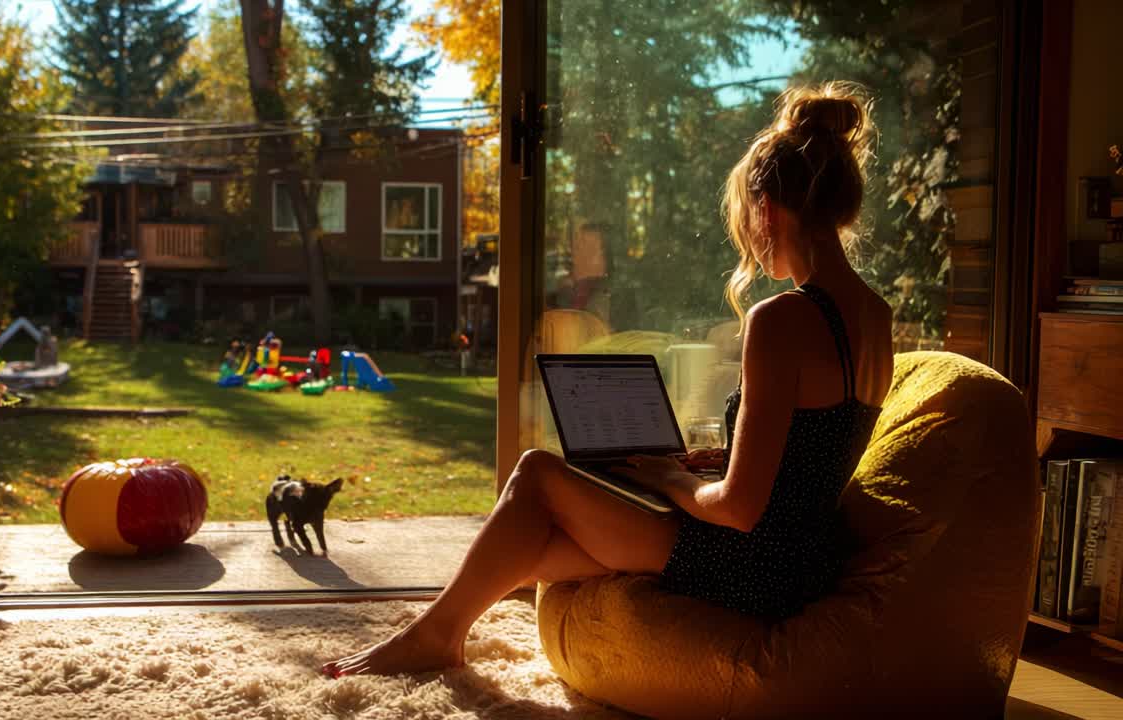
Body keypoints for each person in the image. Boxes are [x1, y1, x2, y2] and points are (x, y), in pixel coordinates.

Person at [322, 82, 894, 680]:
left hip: (754, 568)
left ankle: (436, 636)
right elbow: (811, 450)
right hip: (808, 564)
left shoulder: (781, 318)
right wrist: (712, 461)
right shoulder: (875, 317)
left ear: (767, 209)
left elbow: (741, 509)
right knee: (540, 550)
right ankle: (439, 628)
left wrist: (670, 476)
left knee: (537, 475)